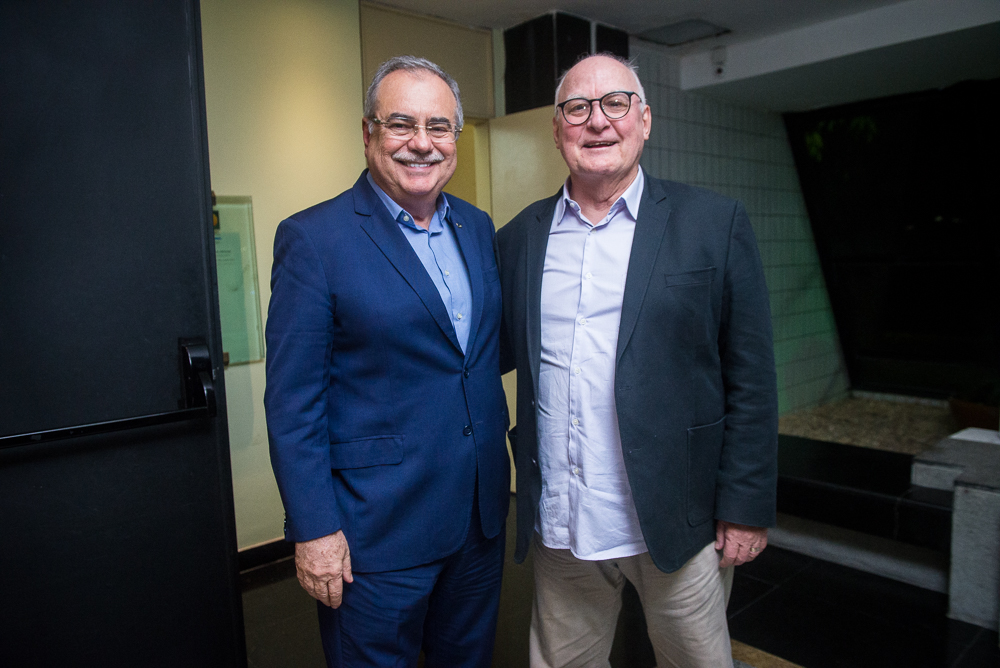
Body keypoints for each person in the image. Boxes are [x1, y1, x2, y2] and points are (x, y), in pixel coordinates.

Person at [497, 54, 778, 667]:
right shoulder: (519, 238)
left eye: (615, 104)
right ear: (557, 130)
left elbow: (752, 377)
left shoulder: (713, 224)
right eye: (577, 108)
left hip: (677, 521)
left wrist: (745, 507)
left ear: (645, 120)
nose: (597, 122)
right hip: (564, 523)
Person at [264, 56, 509, 667]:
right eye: (401, 124)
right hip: (374, 535)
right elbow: (294, 404)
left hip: (477, 522)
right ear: (368, 132)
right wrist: (314, 530)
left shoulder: (476, 227)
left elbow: (472, 360)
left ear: (455, 137)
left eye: (439, 126)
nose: (422, 143)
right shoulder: (314, 239)